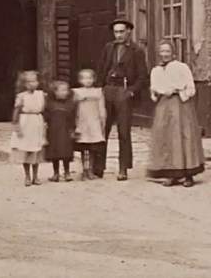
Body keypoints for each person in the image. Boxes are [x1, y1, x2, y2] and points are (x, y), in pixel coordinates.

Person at [94, 17, 148, 181]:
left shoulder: (137, 51)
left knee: (124, 132)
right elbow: (101, 68)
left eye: (121, 32)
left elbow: (142, 76)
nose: (118, 35)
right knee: (103, 130)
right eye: (116, 32)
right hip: (108, 90)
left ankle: (123, 168)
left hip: (124, 92)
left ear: (129, 32)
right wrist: (99, 88)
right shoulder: (108, 48)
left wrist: (131, 91)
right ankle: (98, 167)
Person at [146, 40, 204, 188]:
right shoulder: (156, 70)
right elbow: (153, 90)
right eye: (162, 51)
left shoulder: (182, 67)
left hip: (180, 105)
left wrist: (177, 90)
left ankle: (188, 174)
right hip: (163, 106)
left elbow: (191, 88)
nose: (165, 54)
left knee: (183, 136)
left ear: (173, 53)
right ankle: (170, 173)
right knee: (165, 137)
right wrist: (157, 92)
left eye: (167, 51)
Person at [10, 70, 46, 186]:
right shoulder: (21, 96)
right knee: (26, 149)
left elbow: (46, 109)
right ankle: (27, 176)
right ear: (24, 84)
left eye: (34, 81)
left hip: (37, 122)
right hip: (25, 122)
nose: (32, 84)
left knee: (36, 150)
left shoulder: (41, 95)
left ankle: (36, 176)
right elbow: (16, 112)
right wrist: (17, 127)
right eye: (29, 82)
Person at [72, 68, 106, 181]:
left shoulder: (98, 92)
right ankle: (84, 170)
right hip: (82, 121)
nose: (88, 80)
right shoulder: (76, 92)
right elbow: (72, 107)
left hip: (94, 121)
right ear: (80, 80)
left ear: (94, 79)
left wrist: (102, 121)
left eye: (90, 78)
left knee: (92, 148)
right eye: (85, 78)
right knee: (83, 147)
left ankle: (91, 169)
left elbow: (101, 108)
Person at [44, 79, 77, 182]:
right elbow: (46, 117)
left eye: (66, 90)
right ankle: (56, 173)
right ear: (55, 92)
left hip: (65, 131)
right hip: (53, 132)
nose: (65, 92)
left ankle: (67, 173)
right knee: (55, 153)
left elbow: (73, 118)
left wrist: (73, 130)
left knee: (66, 152)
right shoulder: (50, 104)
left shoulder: (69, 104)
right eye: (62, 90)